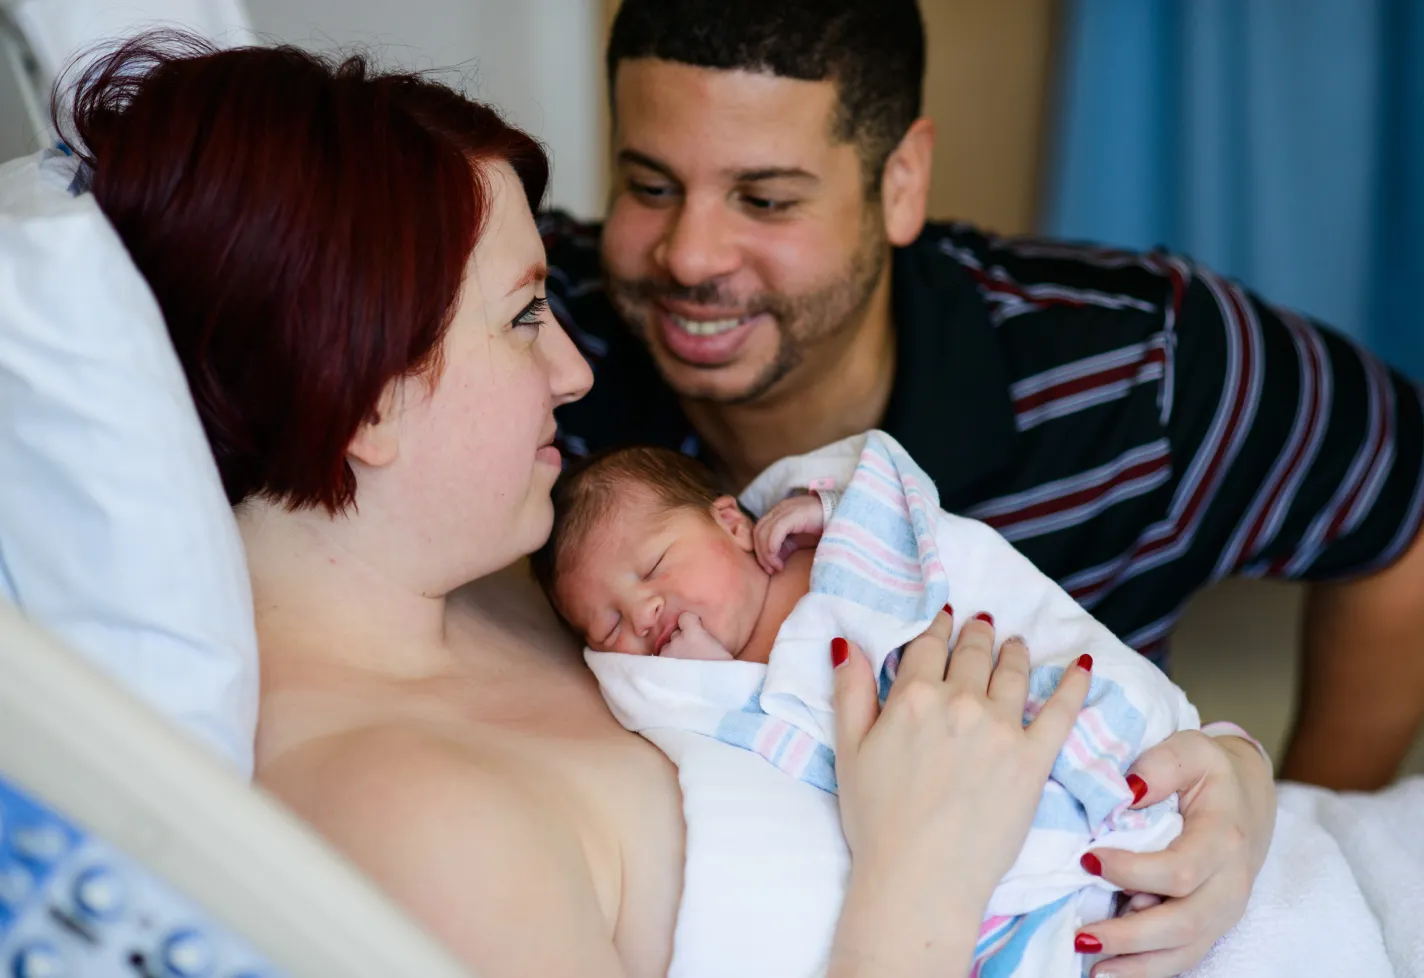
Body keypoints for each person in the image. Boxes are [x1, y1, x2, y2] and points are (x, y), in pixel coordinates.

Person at [57, 34, 1275, 978]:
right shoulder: (409, 819)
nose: (577, 373)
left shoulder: (503, 585)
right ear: (369, 393)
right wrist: (921, 878)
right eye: (524, 317)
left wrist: (1223, 783)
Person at [544, 0, 1424, 795]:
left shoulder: (1139, 366)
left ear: (900, 184)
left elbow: (1400, 496)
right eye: (651, 187)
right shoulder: (531, 341)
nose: (690, 257)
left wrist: (1303, 821)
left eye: (765, 199)